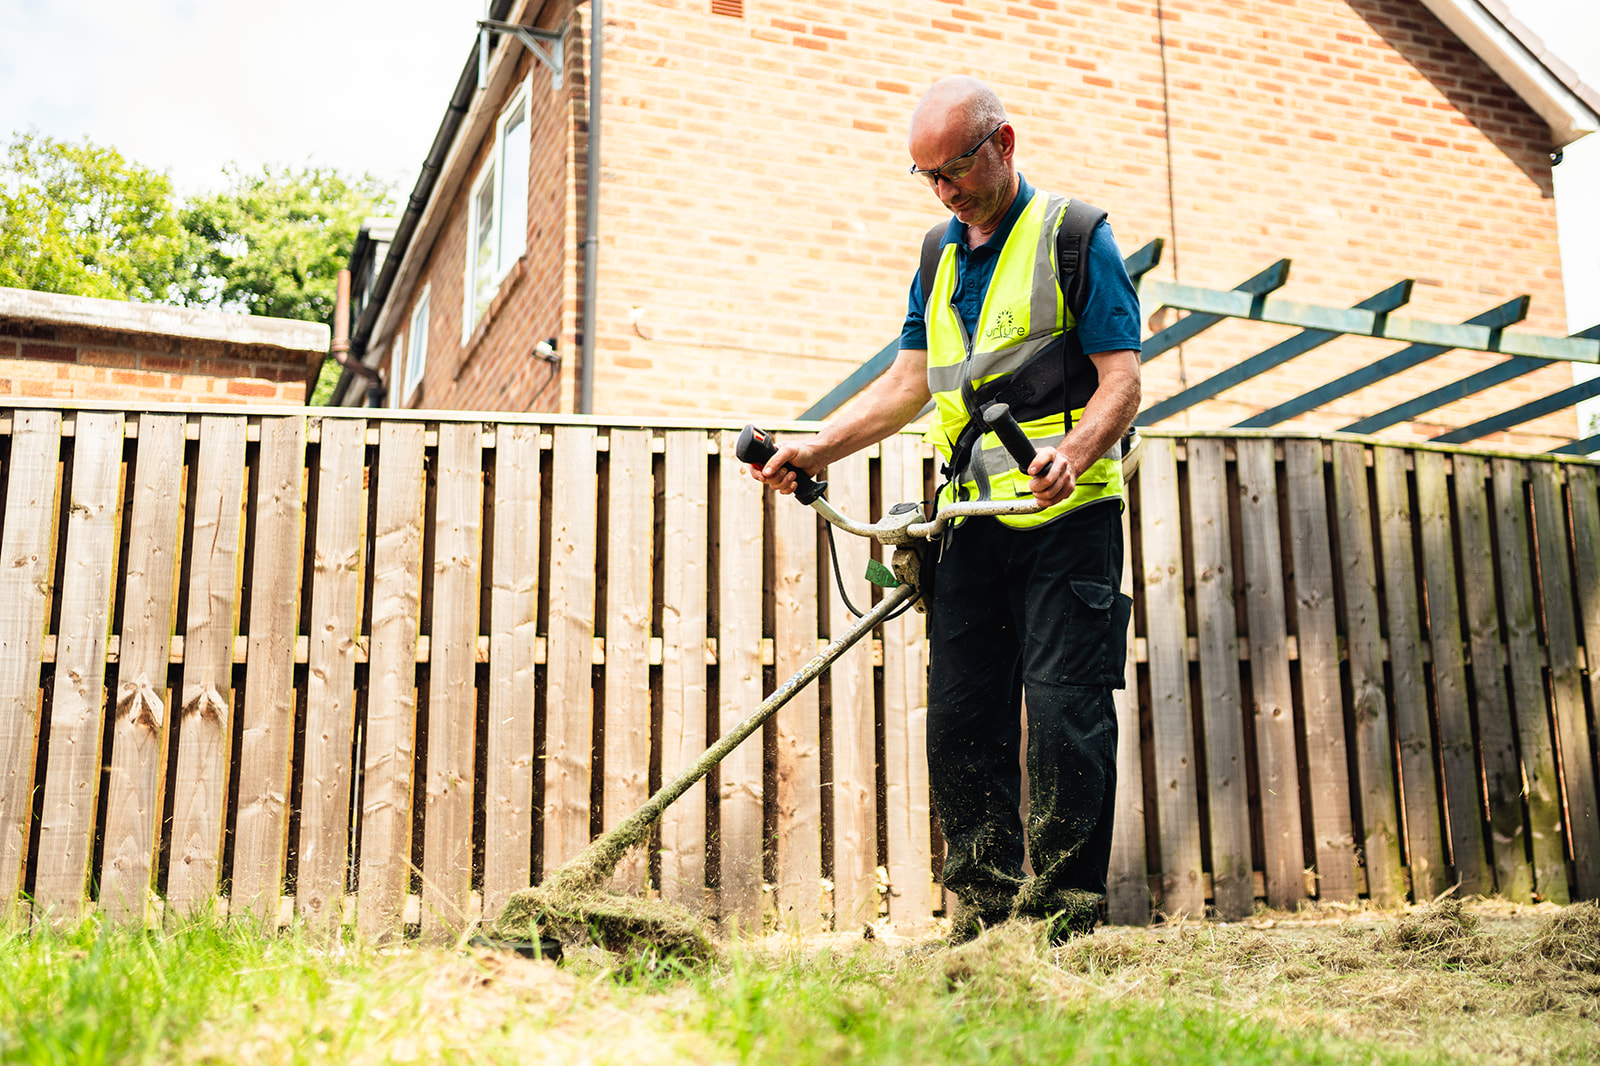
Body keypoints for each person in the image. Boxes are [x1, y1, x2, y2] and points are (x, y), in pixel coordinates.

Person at [751, 75, 1140, 942]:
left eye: (955, 168)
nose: (944, 190)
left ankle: (1064, 924)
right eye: (925, 175)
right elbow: (908, 384)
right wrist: (817, 447)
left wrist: (1074, 454)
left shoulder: (1075, 236)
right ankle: (987, 919)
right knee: (963, 720)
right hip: (968, 521)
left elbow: (1123, 380)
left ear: (1003, 143)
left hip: (1065, 519)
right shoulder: (937, 251)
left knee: (1068, 711)